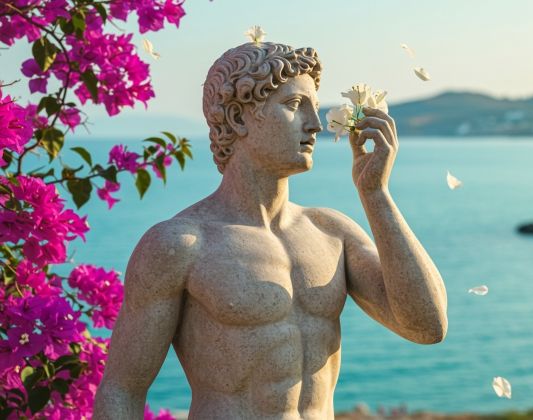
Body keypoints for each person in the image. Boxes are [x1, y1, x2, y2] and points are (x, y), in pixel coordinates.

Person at [93, 42, 448, 419]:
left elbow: (427, 326)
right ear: (239, 118)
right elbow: (121, 390)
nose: (315, 123)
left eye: (314, 106)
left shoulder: (331, 233)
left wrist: (375, 194)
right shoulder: (181, 245)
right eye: (295, 106)